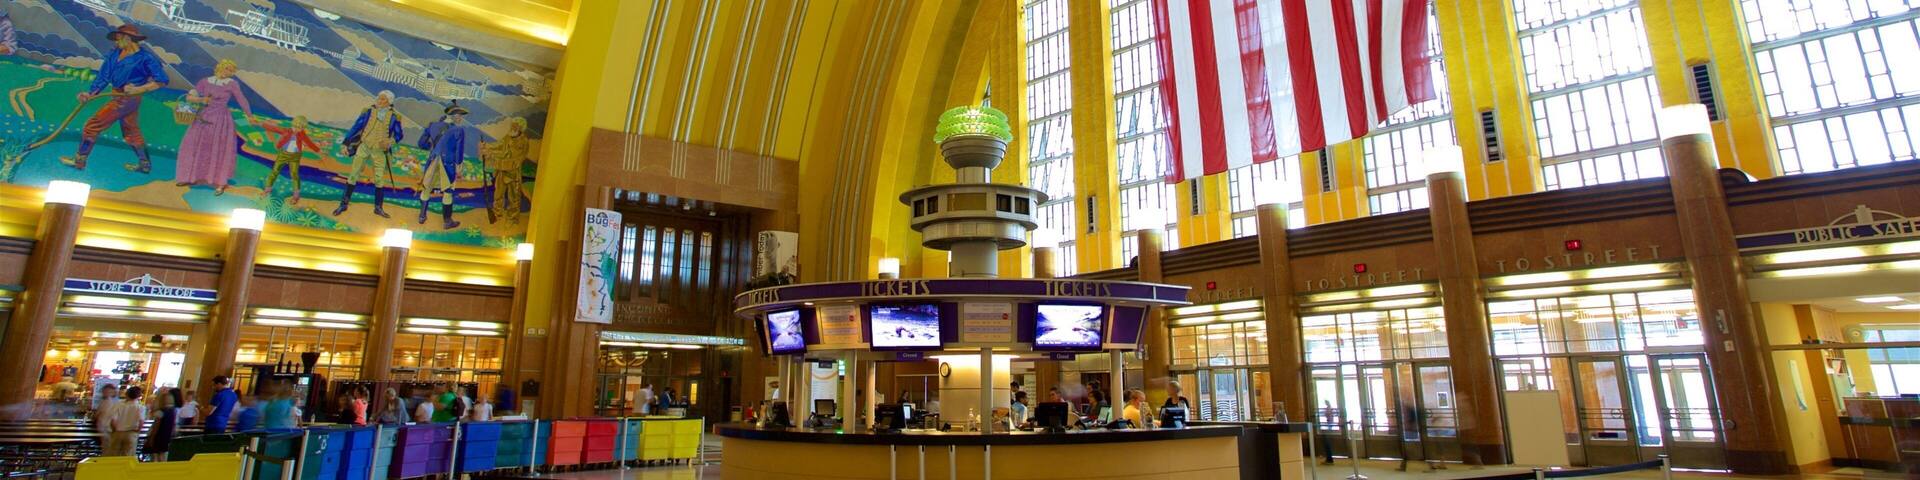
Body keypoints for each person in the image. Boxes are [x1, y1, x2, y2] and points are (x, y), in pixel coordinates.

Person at [61, 25, 168, 172]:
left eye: (118, 39)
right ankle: (145, 165)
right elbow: (103, 76)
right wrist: (91, 93)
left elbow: (161, 80)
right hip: (117, 93)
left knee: (93, 125)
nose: (116, 42)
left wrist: (139, 89)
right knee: (131, 132)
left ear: (128, 38)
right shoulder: (115, 53)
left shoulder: (146, 58)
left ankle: (79, 161)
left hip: (128, 98)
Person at [173, 58, 255, 190]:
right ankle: (190, 177)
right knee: (194, 145)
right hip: (202, 116)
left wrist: (249, 116)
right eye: (226, 68)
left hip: (221, 119)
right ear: (219, 67)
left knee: (218, 147)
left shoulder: (232, 84)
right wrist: (202, 99)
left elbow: (242, 99)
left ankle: (218, 181)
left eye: (231, 70)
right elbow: (189, 97)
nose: (227, 72)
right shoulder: (205, 81)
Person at [415, 102, 491, 229]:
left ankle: (422, 216)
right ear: (453, 115)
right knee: (448, 192)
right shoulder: (458, 130)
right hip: (448, 164)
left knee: (426, 188)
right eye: (459, 115)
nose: (461, 118)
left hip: (432, 161)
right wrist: (459, 168)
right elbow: (459, 151)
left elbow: (421, 143)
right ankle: (447, 221)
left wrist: (431, 149)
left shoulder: (432, 125)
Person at [335, 90, 405, 218]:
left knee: (379, 179)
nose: (379, 100)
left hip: (380, 151)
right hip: (364, 146)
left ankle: (378, 208)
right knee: (353, 174)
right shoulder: (368, 111)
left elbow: (399, 135)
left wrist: (390, 141)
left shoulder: (395, 117)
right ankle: (343, 204)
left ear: (389, 102)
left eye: (383, 99)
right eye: (379, 98)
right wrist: (345, 143)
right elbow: (356, 127)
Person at [259, 115, 322, 204]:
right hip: (283, 154)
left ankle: (296, 196)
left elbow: (309, 142)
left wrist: (318, 151)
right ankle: (267, 190)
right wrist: (262, 124)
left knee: (294, 174)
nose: (300, 130)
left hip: (295, 156)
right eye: (298, 127)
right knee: (275, 171)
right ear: (295, 125)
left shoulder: (302, 134)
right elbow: (274, 129)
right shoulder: (286, 131)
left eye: (302, 128)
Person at [479, 117, 529, 224]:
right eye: (512, 125)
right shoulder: (508, 137)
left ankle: (513, 218)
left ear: (520, 128)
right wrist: (487, 146)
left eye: (515, 126)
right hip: (501, 171)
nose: (512, 127)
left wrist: (491, 153)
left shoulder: (523, 142)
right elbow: (499, 145)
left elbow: (510, 156)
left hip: (513, 173)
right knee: (498, 194)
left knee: (514, 197)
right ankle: (497, 214)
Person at [100, 386, 146, 457]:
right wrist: (137, 430)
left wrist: (115, 430)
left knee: (113, 454)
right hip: (131, 433)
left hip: (118, 432)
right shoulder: (140, 407)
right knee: (128, 455)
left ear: (127, 394)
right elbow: (141, 421)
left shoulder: (119, 405)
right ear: (139, 396)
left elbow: (113, 420)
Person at [143, 388, 181, 461]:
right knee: (163, 456)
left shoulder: (161, 412)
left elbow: (156, 426)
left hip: (158, 436)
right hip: (166, 436)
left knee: (155, 456)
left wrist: (151, 437)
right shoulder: (173, 411)